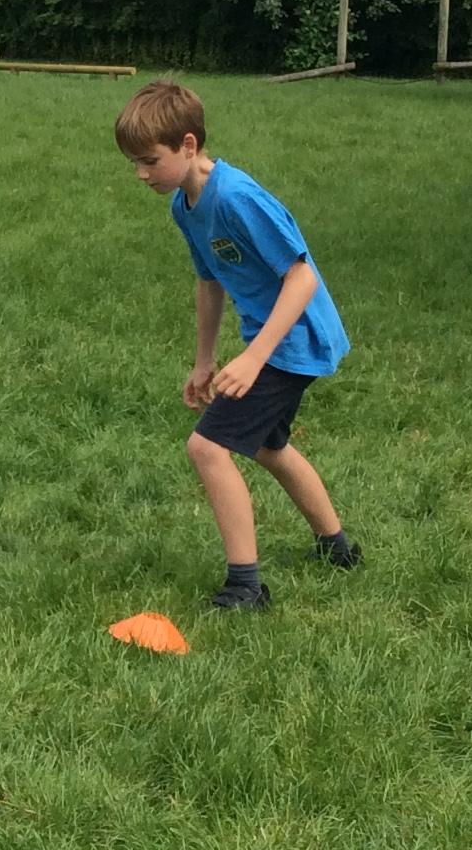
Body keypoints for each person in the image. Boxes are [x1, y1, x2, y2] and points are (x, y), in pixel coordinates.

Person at [114, 79, 359, 612]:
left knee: (206, 447)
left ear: (188, 145)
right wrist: (204, 360)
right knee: (269, 447)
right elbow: (209, 281)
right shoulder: (185, 206)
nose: (141, 174)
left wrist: (253, 358)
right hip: (274, 342)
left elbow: (301, 278)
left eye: (150, 161)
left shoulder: (237, 198)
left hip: (294, 341)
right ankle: (338, 548)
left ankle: (246, 587)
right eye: (134, 163)